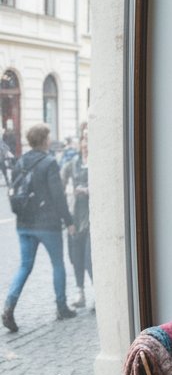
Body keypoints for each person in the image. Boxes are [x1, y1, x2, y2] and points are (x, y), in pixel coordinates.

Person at [3, 123, 77, 332]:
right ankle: (61, 307)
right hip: (47, 225)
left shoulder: (21, 161)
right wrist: (69, 220)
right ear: (44, 140)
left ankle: (9, 306)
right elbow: (58, 196)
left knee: (25, 266)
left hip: (24, 224)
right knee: (57, 264)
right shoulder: (49, 162)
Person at [62, 123, 92, 309]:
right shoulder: (72, 165)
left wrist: (89, 190)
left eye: (89, 139)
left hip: (90, 218)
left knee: (90, 257)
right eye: (84, 139)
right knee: (76, 257)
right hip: (75, 216)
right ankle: (80, 292)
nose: (86, 143)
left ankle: (97, 292)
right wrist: (70, 191)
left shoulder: (97, 163)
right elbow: (60, 186)